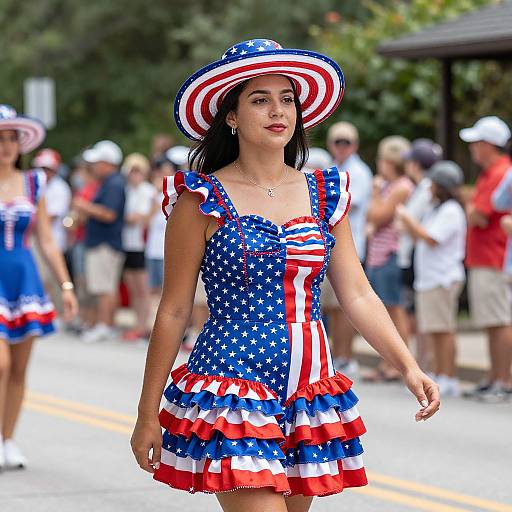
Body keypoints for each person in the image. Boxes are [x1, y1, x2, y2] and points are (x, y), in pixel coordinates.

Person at [130, 40, 439, 511]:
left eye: (287, 99)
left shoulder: (323, 191)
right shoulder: (199, 198)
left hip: (308, 386)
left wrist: (408, 365)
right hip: (232, 382)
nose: (278, 111)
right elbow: (173, 308)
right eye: (260, 99)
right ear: (231, 116)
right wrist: (146, 411)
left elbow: (356, 293)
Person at [0, 105, 77, 469]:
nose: (5, 146)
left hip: (24, 279)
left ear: (20, 144)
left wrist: (65, 285)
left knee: (18, 368)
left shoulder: (34, 183)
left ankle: (8, 439)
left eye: (11, 139)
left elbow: (46, 240)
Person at [396, 161, 466, 397]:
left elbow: (430, 238)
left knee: (444, 330)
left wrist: (407, 219)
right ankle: (439, 372)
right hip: (430, 279)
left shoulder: (451, 210)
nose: (429, 189)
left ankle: (449, 376)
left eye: (433, 184)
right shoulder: (436, 209)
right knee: (435, 330)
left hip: (442, 278)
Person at [459, 116, 512, 402]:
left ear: (490, 144)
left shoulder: (499, 172)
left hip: (494, 255)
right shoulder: (492, 172)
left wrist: (468, 204)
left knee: (500, 320)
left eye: (477, 142)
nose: (472, 148)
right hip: (488, 255)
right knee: (493, 320)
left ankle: (504, 380)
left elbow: (479, 215)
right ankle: (495, 377)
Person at [322, 122, 372, 377]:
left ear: (354, 145)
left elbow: (346, 206)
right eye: (337, 141)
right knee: (330, 306)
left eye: (347, 142)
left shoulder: (359, 172)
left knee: (344, 305)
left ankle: (345, 356)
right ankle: (335, 355)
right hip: (329, 246)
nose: (342, 146)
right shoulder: (333, 169)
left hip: (349, 247)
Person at [364, 136, 414, 382]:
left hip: (390, 255)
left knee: (395, 310)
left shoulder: (401, 186)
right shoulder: (390, 186)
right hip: (378, 255)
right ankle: (389, 363)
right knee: (385, 311)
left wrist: (374, 192)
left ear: (389, 161)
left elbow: (377, 215)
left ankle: (400, 365)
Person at [74, 140, 126, 343]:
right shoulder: (110, 182)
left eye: (97, 162)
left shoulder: (113, 184)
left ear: (107, 163)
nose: (94, 167)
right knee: (105, 287)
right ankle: (105, 325)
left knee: (104, 288)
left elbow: (109, 214)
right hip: (103, 242)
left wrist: (83, 206)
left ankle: (105, 325)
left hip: (105, 243)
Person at [399, 139, 442, 372]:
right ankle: (423, 364)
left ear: (416, 164)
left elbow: (406, 220)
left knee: (417, 315)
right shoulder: (422, 187)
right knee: (415, 313)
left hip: (416, 257)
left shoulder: (426, 188)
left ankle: (425, 365)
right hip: (412, 255)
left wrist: (403, 216)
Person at [31, 148, 72, 315]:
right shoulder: (32, 185)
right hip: (33, 240)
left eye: (48, 169)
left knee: (50, 278)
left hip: (53, 240)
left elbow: (47, 219)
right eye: (42, 169)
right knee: (40, 277)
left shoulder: (60, 189)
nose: (44, 173)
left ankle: (55, 314)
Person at [121, 153, 155, 342]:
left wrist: (130, 217)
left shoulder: (147, 191)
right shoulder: (126, 190)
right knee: (133, 288)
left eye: (138, 171)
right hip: (127, 243)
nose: (134, 175)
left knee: (143, 289)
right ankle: (137, 325)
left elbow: (138, 218)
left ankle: (143, 326)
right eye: (132, 171)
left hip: (142, 245)